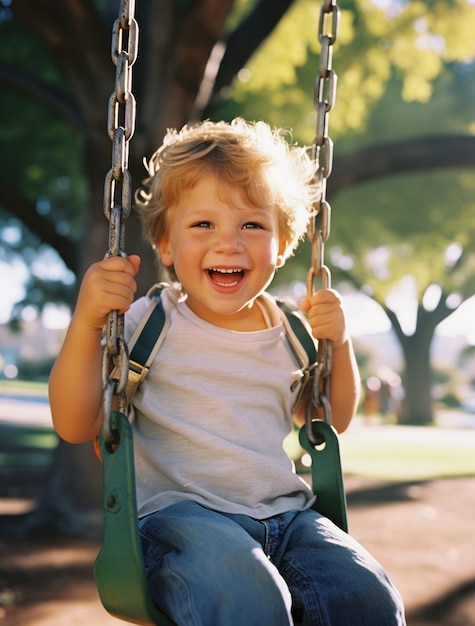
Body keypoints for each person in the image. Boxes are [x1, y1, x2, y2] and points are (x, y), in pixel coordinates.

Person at [49, 118, 405, 626]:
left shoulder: (292, 332)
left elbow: (331, 419)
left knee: (368, 595)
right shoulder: (150, 321)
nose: (228, 243)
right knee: (246, 594)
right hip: (179, 521)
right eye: (203, 225)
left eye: (252, 225)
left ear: (282, 244)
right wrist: (87, 322)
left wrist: (340, 345)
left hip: (287, 519)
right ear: (166, 246)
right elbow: (74, 423)